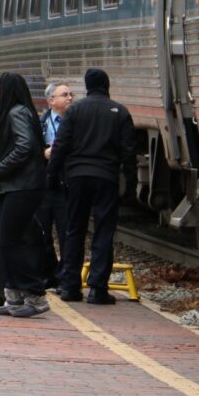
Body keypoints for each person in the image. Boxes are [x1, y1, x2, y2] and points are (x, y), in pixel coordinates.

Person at [47, 68, 137, 305]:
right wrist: (131, 186)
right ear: (106, 85)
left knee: (74, 230)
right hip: (106, 178)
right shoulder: (120, 112)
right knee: (103, 231)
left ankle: (70, 287)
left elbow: (61, 146)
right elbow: (129, 153)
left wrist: (51, 175)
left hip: (77, 178)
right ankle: (98, 289)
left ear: (87, 86)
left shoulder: (75, 110)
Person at [0, 73, 49, 317]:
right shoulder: (16, 112)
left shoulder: (16, 113)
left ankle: (35, 295)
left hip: (22, 186)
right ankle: (14, 295)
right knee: (8, 241)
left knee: (10, 242)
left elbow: (25, 147)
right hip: (16, 186)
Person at [36, 81, 74, 288]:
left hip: (65, 184)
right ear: (51, 101)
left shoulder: (75, 122)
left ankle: (65, 276)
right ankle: (48, 273)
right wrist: (43, 153)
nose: (70, 98)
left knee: (66, 230)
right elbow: (31, 148)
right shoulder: (41, 123)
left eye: (71, 94)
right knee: (42, 231)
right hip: (45, 183)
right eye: (64, 94)